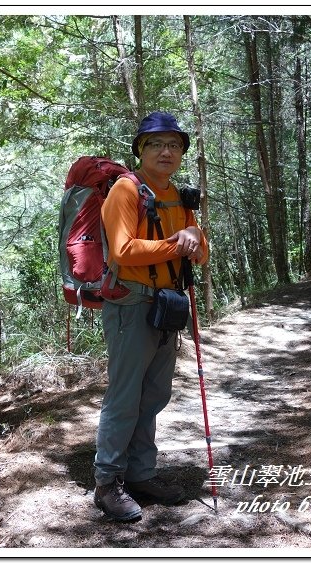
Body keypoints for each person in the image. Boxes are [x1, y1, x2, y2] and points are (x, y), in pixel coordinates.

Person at [93, 111, 209, 522]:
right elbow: (122, 251)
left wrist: (193, 238)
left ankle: (141, 474)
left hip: (167, 305)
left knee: (154, 395)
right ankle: (107, 483)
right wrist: (180, 245)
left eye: (174, 145)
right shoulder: (126, 191)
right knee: (124, 397)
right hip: (131, 304)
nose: (166, 151)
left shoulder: (176, 194)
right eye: (156, 144)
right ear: (140, 150)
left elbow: (200, 251)